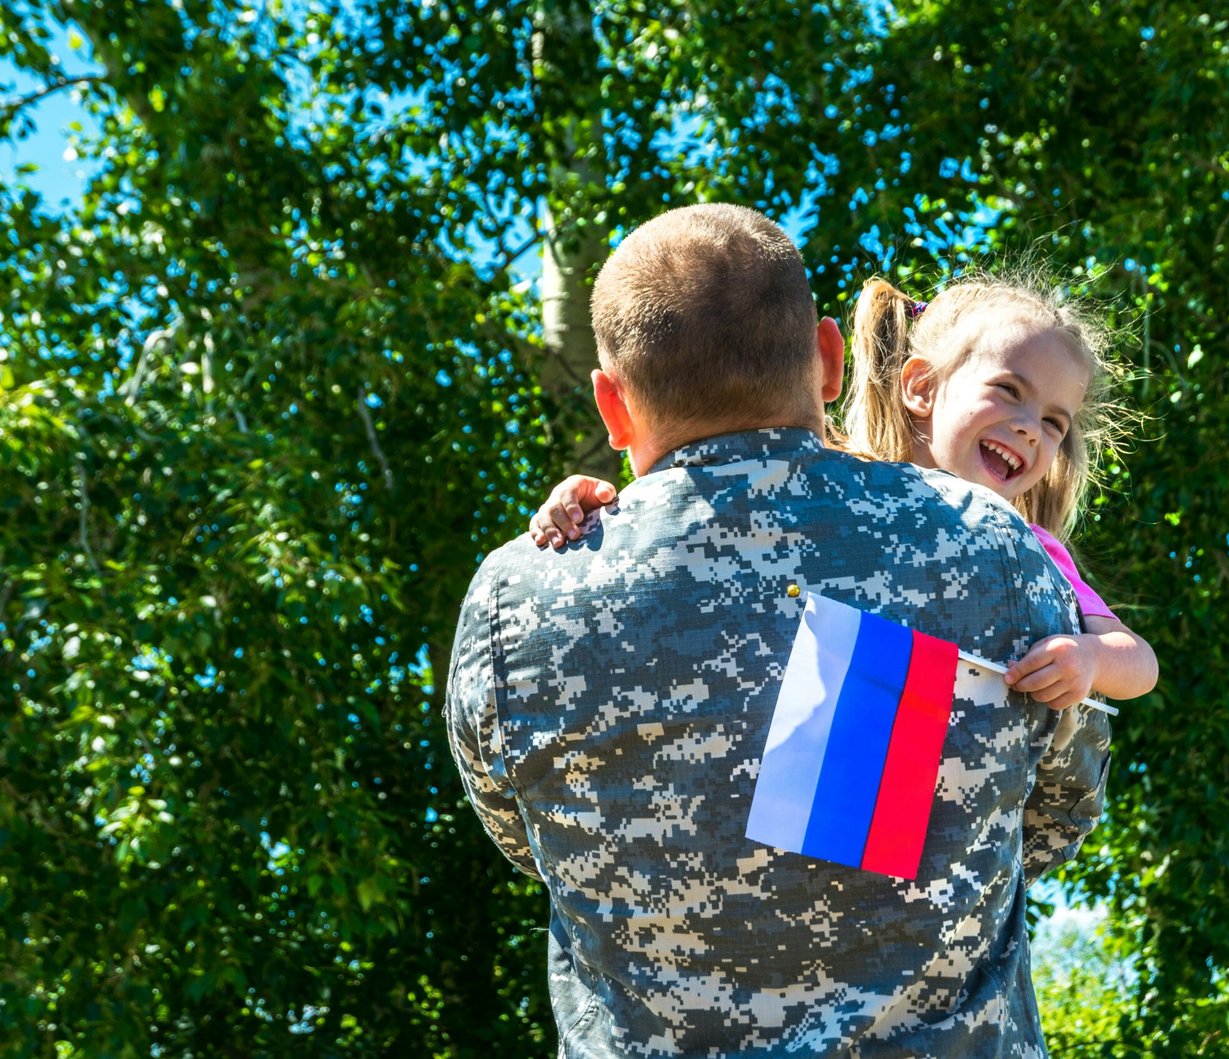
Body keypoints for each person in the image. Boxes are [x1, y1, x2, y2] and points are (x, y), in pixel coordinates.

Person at [446, 203, 1110, 1057]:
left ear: (612, 407)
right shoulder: (983, 550)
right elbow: (1056, 817)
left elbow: (523, 839)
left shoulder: (517, 596)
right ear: (828, 359)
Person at [533, 274, 1158, 709]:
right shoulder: (823, 480)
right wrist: (603, 507)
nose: (1030, 427)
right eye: (1008, 391)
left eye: (1054, 422)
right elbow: (711, 513)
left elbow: (1138, 659)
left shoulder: (1036, 551)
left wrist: (1091, 660)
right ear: (921, 388)